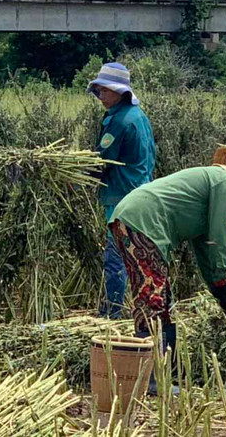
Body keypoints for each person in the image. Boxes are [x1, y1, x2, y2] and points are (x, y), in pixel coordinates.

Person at [108, 146, 226, 383]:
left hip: (130, 218)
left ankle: (168, 372)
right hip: (143, 221)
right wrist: (224, 280)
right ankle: (151, 379)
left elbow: (205, 247)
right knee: (152, 300)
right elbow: (219, 237)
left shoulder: (215, 183)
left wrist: (219, 289)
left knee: (161, 301)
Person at [88, 62, 155, 319]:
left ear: (119, 92)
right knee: (135, 256)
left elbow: (102, 163)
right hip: (142, 191)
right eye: (99, 90)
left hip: (123, 199)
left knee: (115, 258)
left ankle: (112, 314)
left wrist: (73, 173)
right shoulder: (139, 116)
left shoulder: (119, 121)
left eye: (105, 90)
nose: (101, 95)